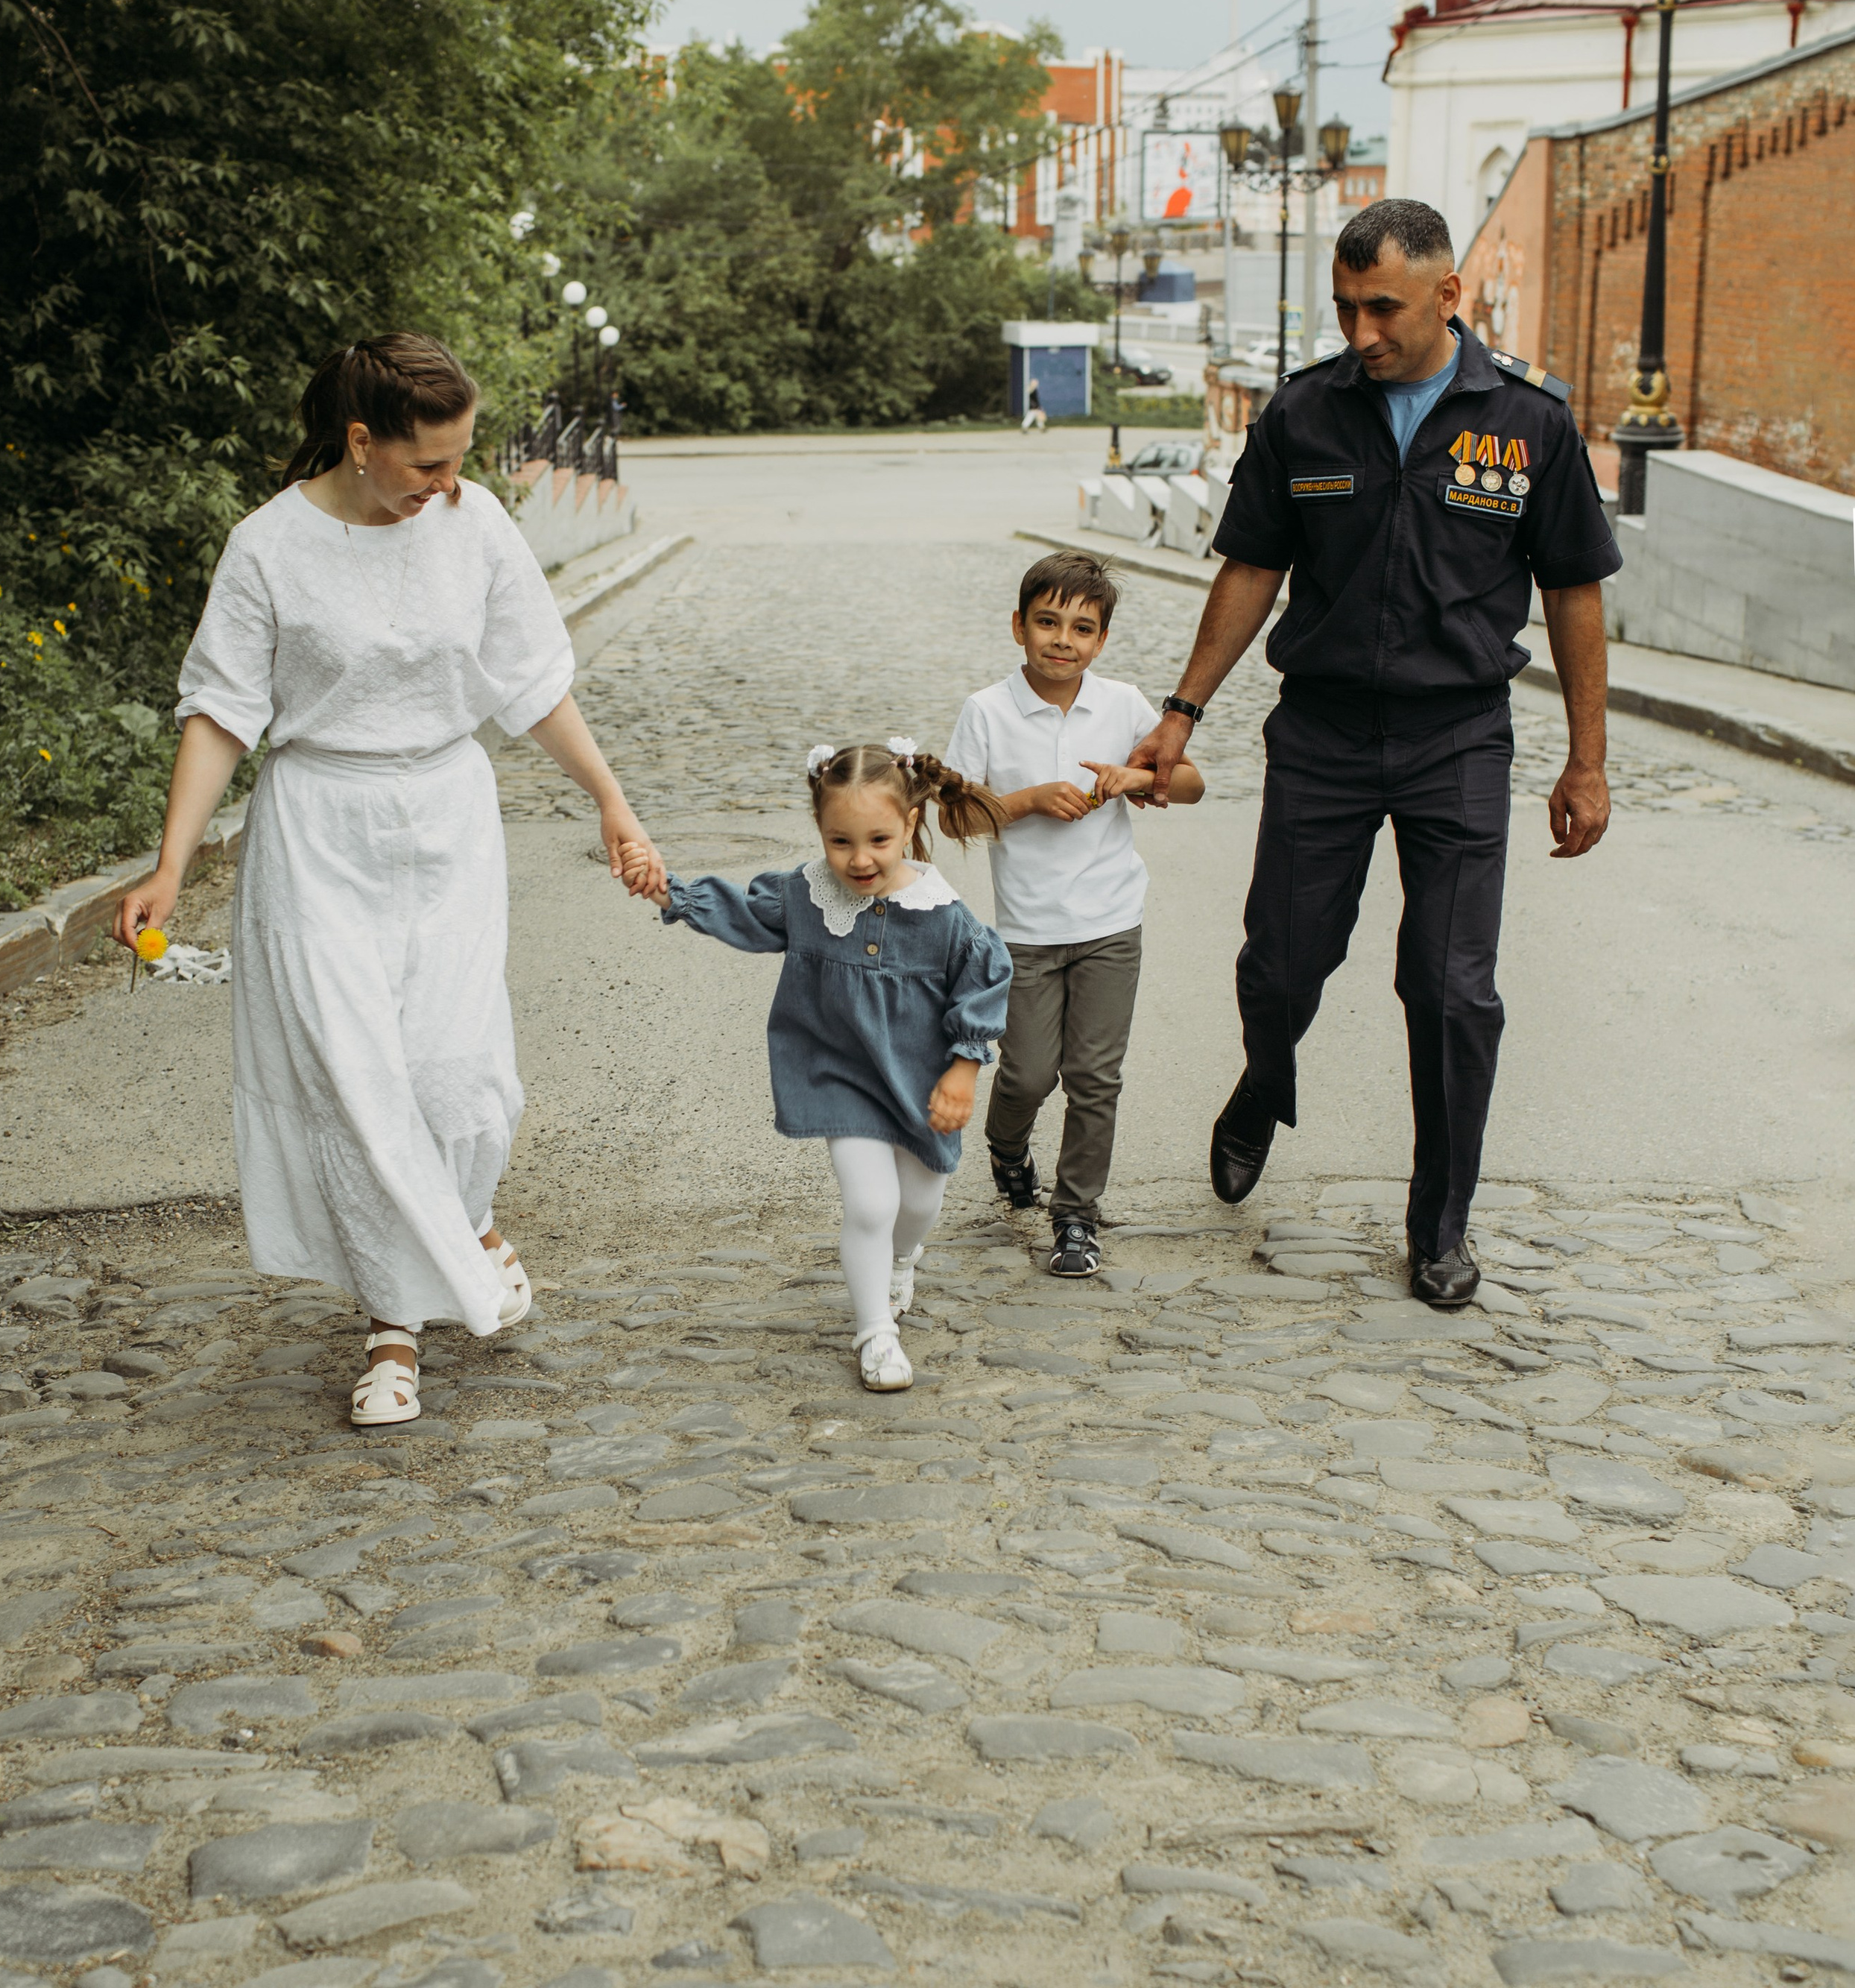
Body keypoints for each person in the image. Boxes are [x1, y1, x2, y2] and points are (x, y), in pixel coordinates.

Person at [116, 334, 663, 1430]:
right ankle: (392, 1330)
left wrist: (611, 798)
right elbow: (222, 710)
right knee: (357, 1089)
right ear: (361, 442)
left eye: (461, 461)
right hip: (318, 833)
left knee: (457, 1079)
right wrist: (172, 862)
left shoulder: (475, 527)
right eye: (427, 466)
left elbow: (531, 682)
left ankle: (472, 1227)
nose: (447, 486)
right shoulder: (268, 548)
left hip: (448, 826)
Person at [1131, 198, 1619, 1310]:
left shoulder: (1529, 426)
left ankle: (1439, 1225)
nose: (1362, 333)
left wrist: (1587, 760)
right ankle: (1263, 1086)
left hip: (1457, 738)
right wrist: (1182, 709)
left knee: (1452, 992)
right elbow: (1250, 567)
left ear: (1449, 297)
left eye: (1383, 309)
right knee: (1281, 963)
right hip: (1325, 734)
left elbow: (1574, 591)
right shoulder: (1305, 415)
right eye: (1347, 310)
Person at [657, 739, 1011, 1391]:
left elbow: (985, 987)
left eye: (878, 838)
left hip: (920, 1083)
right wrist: (673, 892)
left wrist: (963, 1070)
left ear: (909, 823)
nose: (859, 859)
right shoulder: (806, 895)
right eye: (839, 841)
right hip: (837, 1072)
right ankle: (876, 1333)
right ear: (819, 832)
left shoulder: (946, 918)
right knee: (871, 1204)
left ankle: (903, 1261)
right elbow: (744, 913)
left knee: (920, 1201)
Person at [946, 552, 1204, 1278]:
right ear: (1018, 627)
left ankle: (1076, 1217)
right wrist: (1026, 800)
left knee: (1094, 1077)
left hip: (1111, 925)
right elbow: (956, 814)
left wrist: (1138, 775)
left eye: (1082, 628)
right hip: (1024, 932)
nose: (1064, 639)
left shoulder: (1121, 705)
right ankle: (1006, 1146)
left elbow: (1192, 783)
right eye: (1048, 622)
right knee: (1027, 1076)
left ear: (1102, 639)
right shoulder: (987, 710)